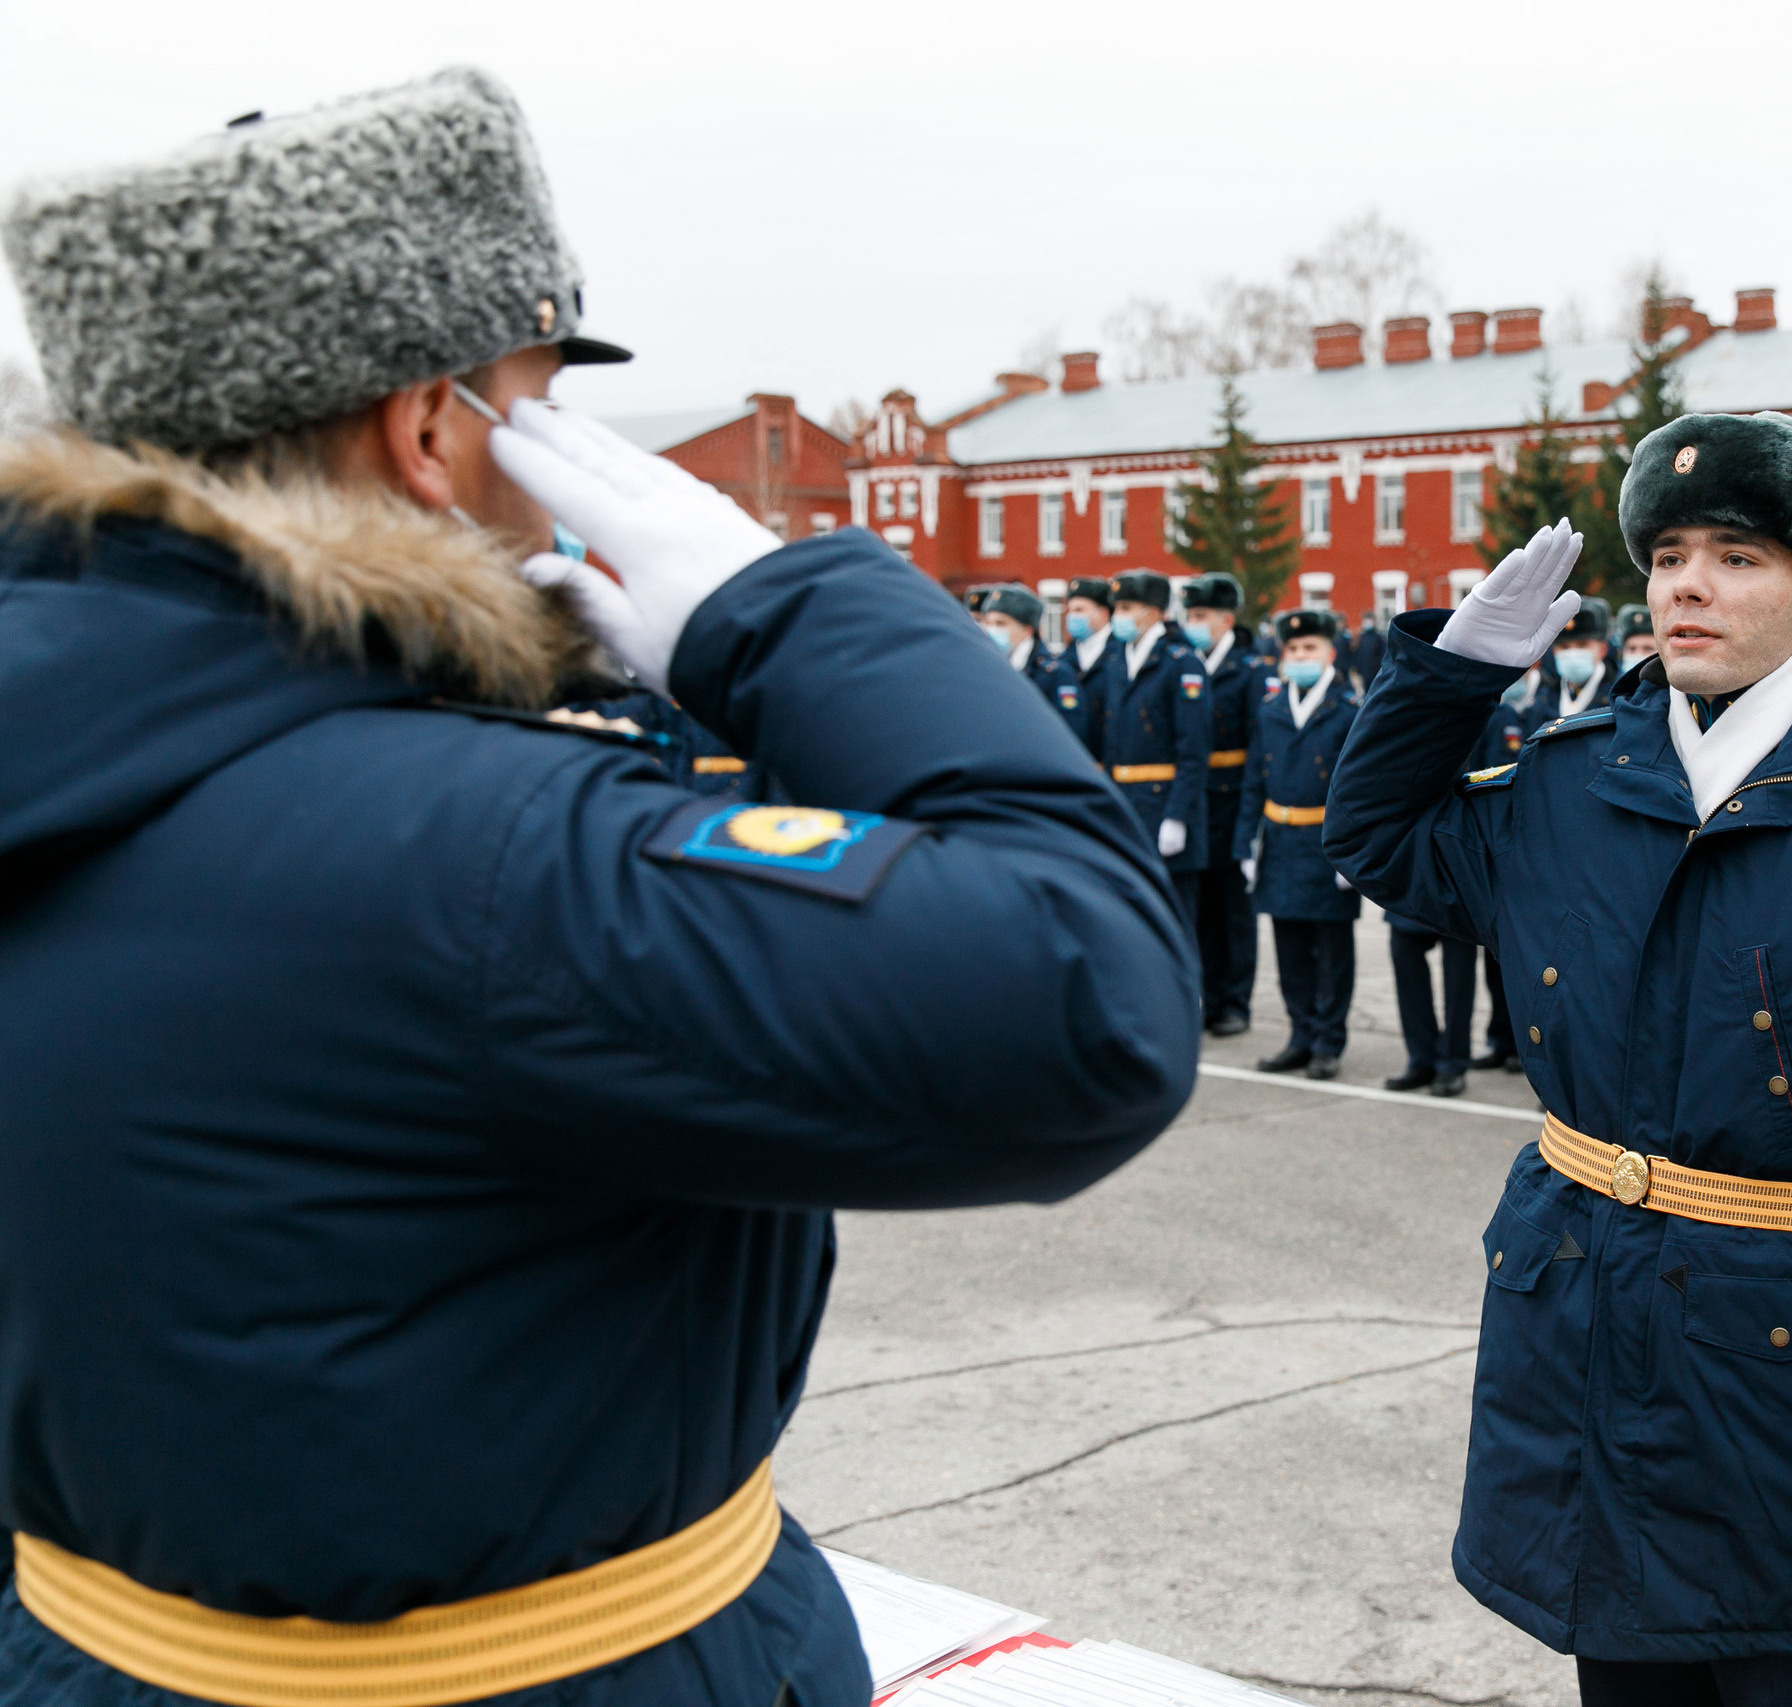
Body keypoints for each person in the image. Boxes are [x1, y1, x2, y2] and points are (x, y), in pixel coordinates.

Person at [0, 69, 1197, 1707]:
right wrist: (800, 615)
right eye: (540, 404)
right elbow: (1087, 996)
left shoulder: (57, 749)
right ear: (427, 432)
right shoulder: (483, 850)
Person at [1327, 411, 1792, 1707]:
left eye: (1736, 557)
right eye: (1666, 556)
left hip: (1783, 1366)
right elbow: (1378, 841)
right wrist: (1450, 671)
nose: (1687, 586)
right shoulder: (1573, 778)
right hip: (1585, 1317)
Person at [1238, 609, 1362, 1080]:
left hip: (1325, 843)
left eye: (1309, 648)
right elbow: (1254, 780)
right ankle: (1300, 1035)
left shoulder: (1349, 710)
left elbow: (1357, 788)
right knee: (1289, 949)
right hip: (1281, 842)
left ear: (1329, 653)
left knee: (1331, 953)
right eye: (1291, 650)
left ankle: (1329, 1042)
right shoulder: (1270, 710)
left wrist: (1352, 852)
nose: (1299, 656)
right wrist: (1245, 845)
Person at [1385, 697, 1528, 1096]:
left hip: (1458, 858)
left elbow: (1497, 789)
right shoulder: (1406, 711)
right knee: (1405, 958)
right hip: (1410, 855)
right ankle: (1421, 1058)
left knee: (1458, 971)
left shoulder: (1493, 714)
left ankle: (1452, 1061)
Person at [1094, 569, 1213, 924]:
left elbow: (1193, 749)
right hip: (1127, 806)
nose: (1120, 616)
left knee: (1175, 921)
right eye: (1117, 607)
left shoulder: (1181, 663)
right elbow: (1111, 744)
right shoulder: (1116, 661)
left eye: (1128, 607)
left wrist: (1177, 816)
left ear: (1155, 610)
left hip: (1164, 805)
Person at [1182, 573, 1261, 1037]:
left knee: (1234, 908)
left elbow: (1257, 746)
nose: (1192, 624)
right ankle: (1208, 998)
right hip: (1196, 801)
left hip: (1232, 801)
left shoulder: (1249, 670)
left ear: (1225, 619)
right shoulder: (1185, 664)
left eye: (1200, 616)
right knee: (1202, 907)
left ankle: (1235, 1002)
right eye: (1189, 616)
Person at [980, 581, 1087, 738]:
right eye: (988, 623)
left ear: (1026, 629)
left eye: (1000, 623)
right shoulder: (991, 669)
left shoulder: (1055, 675)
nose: (991, 630)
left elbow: (1071, 734)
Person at [1533, 594, 1614, 724]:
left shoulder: (1619, 696)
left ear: (1602, 649)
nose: (1573, 652)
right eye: (1564, 647)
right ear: (1554, 652)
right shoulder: (1544, 698)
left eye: (1582, 645)